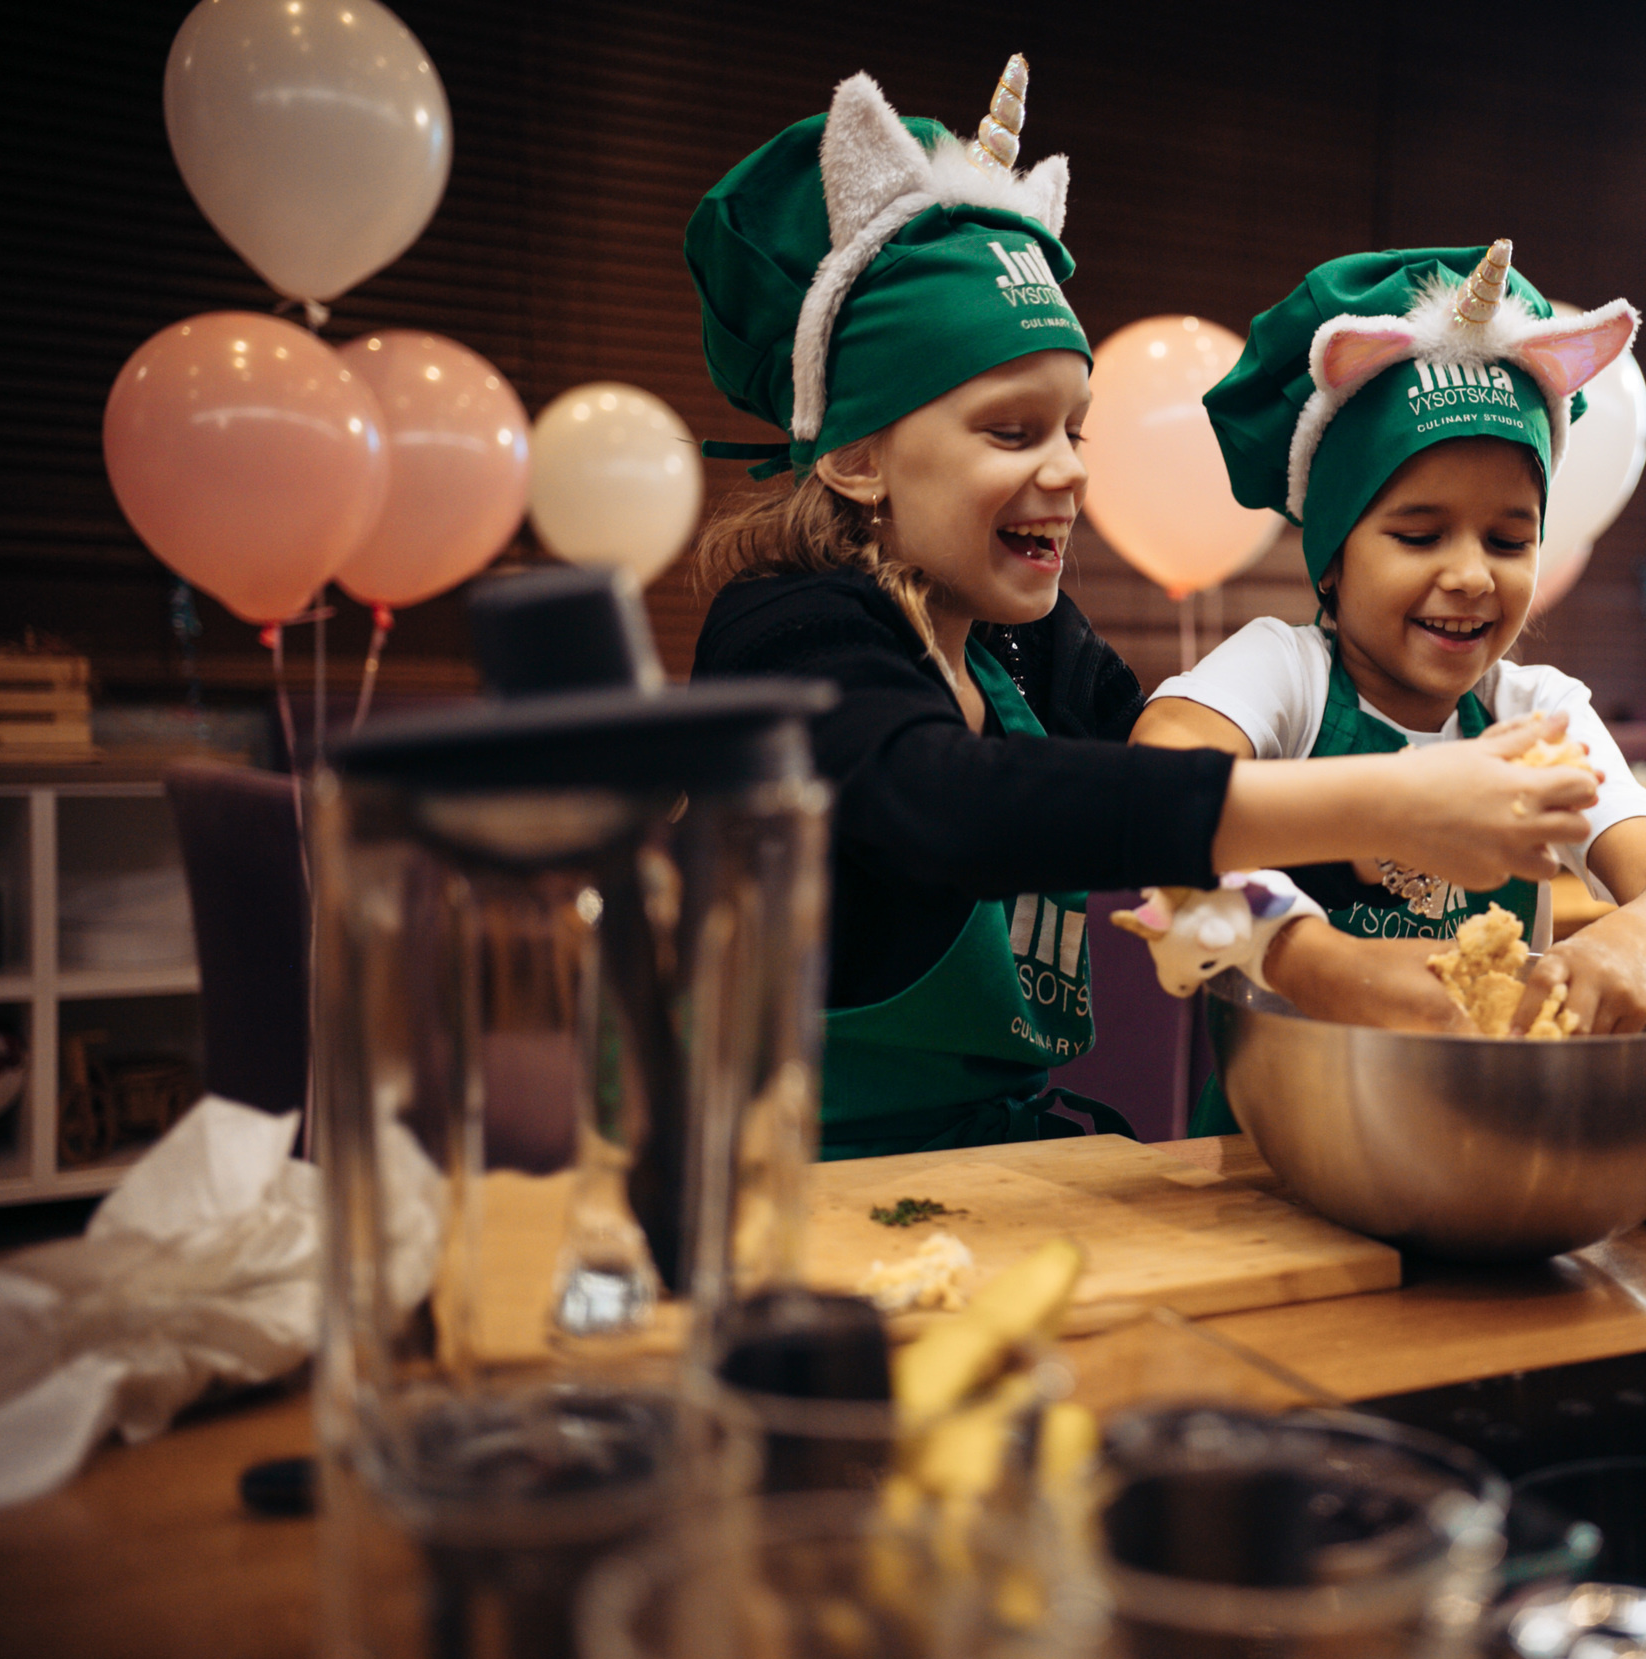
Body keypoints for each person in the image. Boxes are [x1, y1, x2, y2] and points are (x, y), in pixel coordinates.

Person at [684, 65, 1597, 1157]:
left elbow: (1169, 841)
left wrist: (1317, 962)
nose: (1069, 473)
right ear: (858, 456)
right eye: (1012, 433)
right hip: (763, 1195)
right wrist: (1386, 801)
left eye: (1075, 430)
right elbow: (950, 808)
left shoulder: (1029, 649)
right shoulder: (785, 632)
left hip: (997, 1174)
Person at [1136, 241, 1646, 1058]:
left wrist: (1638, 937)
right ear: (1334, 556)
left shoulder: (1536, 714)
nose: (1471, 575)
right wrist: (1320, 958)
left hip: (1487, 1136)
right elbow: (1155, 790)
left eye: (1510, 539)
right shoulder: (1286, 675)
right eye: (1419, 535)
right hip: (1269, 1146)